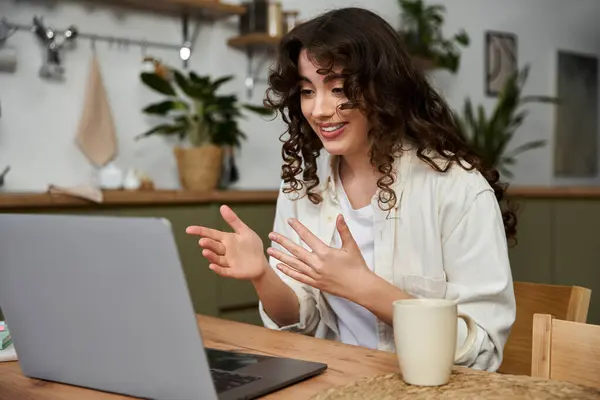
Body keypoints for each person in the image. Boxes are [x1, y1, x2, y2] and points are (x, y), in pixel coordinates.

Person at [186, 7, 516, 372]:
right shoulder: (302, 187)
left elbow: (483, 352)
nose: (320, 109)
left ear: (384, 88)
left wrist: (365, 287)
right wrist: (262, 275)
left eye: (339, 89)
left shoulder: (458, 189)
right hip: (337, 382)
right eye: (308, 91)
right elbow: (301, 322)